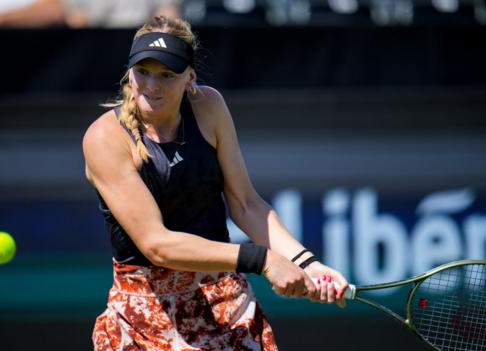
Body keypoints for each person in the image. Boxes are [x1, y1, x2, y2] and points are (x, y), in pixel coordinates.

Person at [83, 16, 349, 350]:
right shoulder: (105, 138)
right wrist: (262, 260)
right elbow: (157, 245)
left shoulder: (209, 107)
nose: (151, 85)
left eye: (167, 75)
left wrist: (307, 263)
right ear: (129, 71)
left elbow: (246, 204)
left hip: (228, 308)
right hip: (144, 323)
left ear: (189, 78)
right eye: (143, 71)